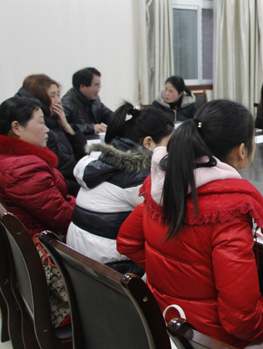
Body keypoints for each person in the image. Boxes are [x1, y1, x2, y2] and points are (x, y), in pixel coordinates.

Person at [117, 100, 263, 349]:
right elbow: (241, 322)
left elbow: (127, 242)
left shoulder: (162, 184)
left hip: (161, 320)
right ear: (242, 150)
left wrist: (172, 277)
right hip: (205, 339)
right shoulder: (229, 211)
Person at [66, 103, 173, 276]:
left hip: (82, 261)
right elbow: (167, 220)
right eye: (169, 144)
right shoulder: (138, 176)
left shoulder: (102, 157)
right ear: (148, 142)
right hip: (114, 270)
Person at [0, 96, 75, 236]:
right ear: (16, 128)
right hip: (44, 242)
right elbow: (63, 217)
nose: (47, 130)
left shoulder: (10, 159)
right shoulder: (22, 168)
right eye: (41, 122)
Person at [16, 74, 87, 196]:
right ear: (40, 98)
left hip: (70, 179)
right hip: (65, 184)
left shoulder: (55, 119)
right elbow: (61, 164)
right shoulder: (38, 128)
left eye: (58, 95)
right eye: (53, 96)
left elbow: (82, 150)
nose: (58, 101)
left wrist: (67, 126)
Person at [62, 67, 113, 135]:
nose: (98, 90)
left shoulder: (95, 100)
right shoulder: (67, 103)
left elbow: (110, 116)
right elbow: (64, 127)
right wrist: (91, 128)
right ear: (82, 87)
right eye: (96, 86)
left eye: (99, 86)